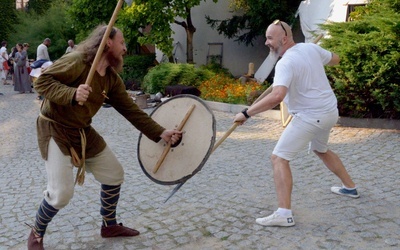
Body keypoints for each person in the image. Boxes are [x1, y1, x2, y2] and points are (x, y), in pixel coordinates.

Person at [27, 25, 182, 250]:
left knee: (114, 173)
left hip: (82, 131)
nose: (125, 48)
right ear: (108, 43)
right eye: (122, 43)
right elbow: (41, 81)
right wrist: (72, 93)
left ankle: (108, 225)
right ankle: (36, 234)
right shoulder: (78, 61)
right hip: (55, 129)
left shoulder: (110, 78)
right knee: (61, 193)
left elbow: (131, 110)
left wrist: (160, 132)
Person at [234, 20, 359, 227]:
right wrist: (315, 58)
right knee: (321, 149)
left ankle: (284, 213)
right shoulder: (310, 48)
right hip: (329, 112)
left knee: (279, 158)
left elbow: (277, 96)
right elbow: (336, 59)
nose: (266, 42)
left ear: (284, 39)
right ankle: (350, 187)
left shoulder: (285, 63)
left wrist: (247, 113)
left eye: (270, 38)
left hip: (311, 116)